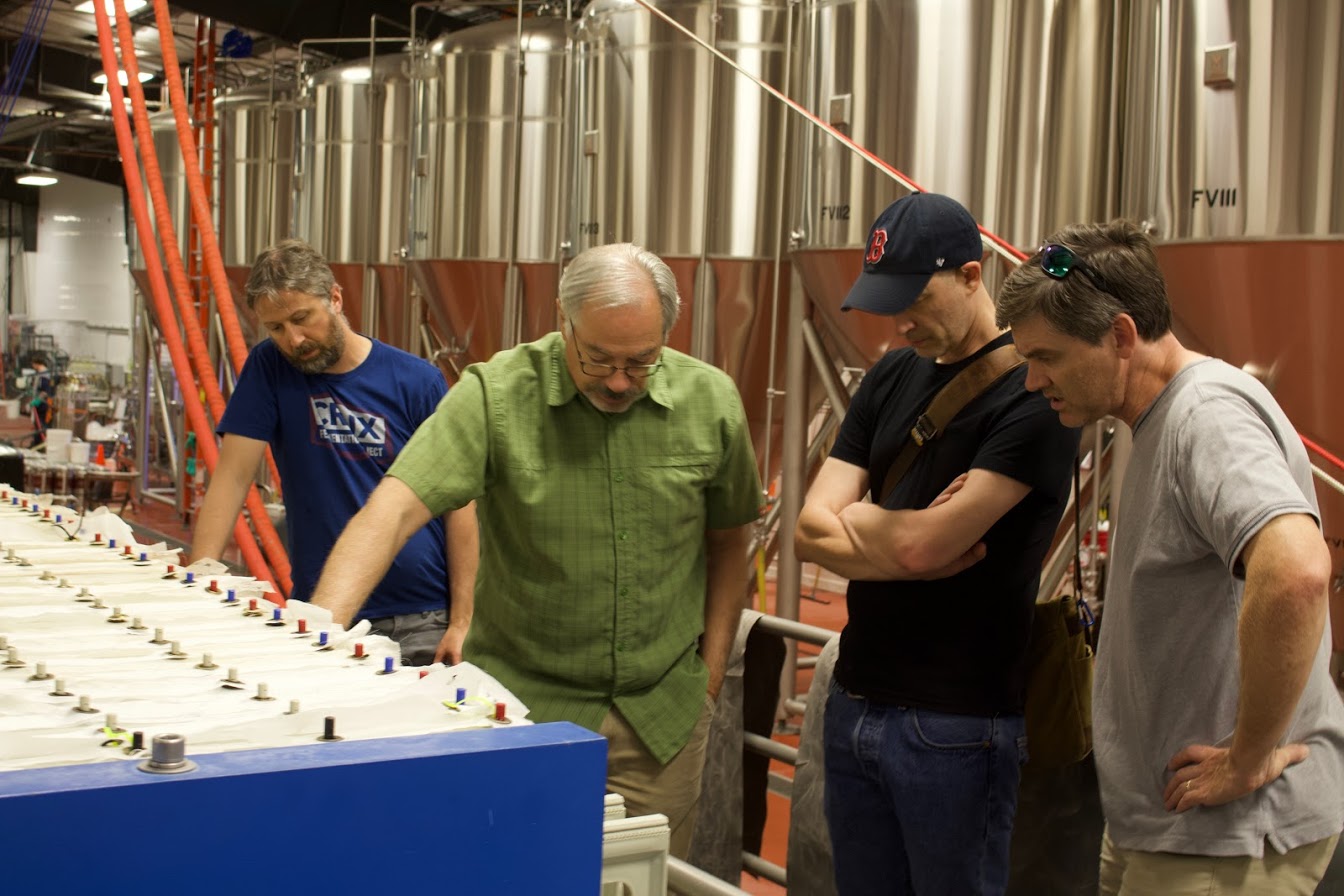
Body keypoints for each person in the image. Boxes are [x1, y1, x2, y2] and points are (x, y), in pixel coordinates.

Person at [305, 242, 761, 857]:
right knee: (518, 869)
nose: (621, 381)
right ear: (562, 320)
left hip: (665, 718)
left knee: (647, 877)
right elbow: (393, 511)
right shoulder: (496, 395)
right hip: (524, 713)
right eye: (598, 359)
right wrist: (313, 639)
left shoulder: (711, 400)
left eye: (642, 360)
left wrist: (707, 678)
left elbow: (731, 540)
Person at [995, 219, 1344, 895]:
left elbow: (1297, 570)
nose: (1033, 381)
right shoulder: (1158, 419)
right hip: (1169, 827)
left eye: (1050, 357)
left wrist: (1246, 759)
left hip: (1228, 837)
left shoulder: (1204, 416)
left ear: (1122, 336)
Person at [794, 192, 1079, 895]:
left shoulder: (1034, 392)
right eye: (889, 300)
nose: (901, 320)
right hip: (854, 702)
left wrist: (860, 520)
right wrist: (895, 536)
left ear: (973, 276)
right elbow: (809, 527)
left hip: (957, 724)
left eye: (916, 298)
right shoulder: (893, 374)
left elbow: (922, 547)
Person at [189, 239, 477, 666]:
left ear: (336, 298)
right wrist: (201, 576)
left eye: (302, 318)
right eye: (276, 328)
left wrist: (462, 621)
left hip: (422, 617)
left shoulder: (416, 381)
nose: (294, 339)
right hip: (323, 615)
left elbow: (460, 506)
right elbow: (232, 477)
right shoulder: (270, 368)